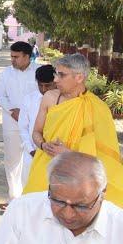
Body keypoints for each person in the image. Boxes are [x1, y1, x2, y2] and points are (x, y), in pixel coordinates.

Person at [24, 54, 123, 206]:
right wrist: (43, 145)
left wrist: (68, 154)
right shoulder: (50, 98)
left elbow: (103, 155)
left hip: (78, 176)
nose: (55, 79)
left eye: (61, 75)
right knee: (33, 211)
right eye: (56, 74)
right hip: (44, 167)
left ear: (79, 77)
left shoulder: (97, 108)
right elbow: (36, 132)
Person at [0, 41, 38, 202]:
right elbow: (0, 95)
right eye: (11, 56)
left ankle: (28, 197)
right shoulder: (6, 73)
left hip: (32, 124)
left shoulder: (38, 71)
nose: (12, 60)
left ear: (27, 57)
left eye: (16, 57)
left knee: (30, 159)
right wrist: (13, 111)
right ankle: (13, 197)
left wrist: (26, 115)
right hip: (11, 121)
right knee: (12, 160)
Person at [18, 64, 56, 186]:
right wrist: (31, 150)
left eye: (47, 85)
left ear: (55, 82)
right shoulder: (28, 99)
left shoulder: (64, 102)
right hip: (32, 154)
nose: (44, 89)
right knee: (28, 188)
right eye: (40, 85)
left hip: (54, 155)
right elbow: (23, 128)